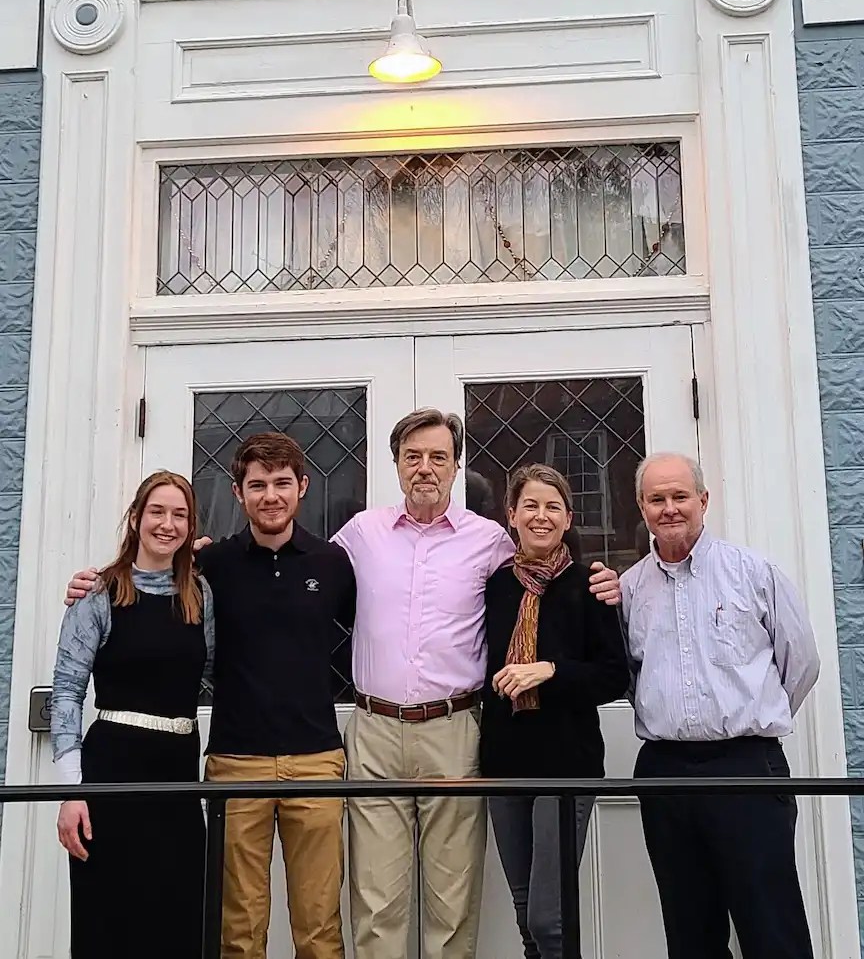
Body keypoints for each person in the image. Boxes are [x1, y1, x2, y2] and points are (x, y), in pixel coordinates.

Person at [332, 408, 621, 959]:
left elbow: (551, 568)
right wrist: (205, 560)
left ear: (456, 467)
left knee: (452, 901)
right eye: (413, 457)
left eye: (438, 457)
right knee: (376, 902)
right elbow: (305, 581)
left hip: (454, 730)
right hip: (373, 731)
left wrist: (607, 579)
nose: (425, 468)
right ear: (395, 465)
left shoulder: (489, 540)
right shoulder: (361, 534)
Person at [65, 433, 356, 959]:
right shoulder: (211, 568)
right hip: (235, 762)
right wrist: (95, 582)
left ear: (303, 488)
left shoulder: (333, 564)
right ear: (239, 492)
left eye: (282, 483)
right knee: (238, 931)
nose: (271, 495)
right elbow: (152, 584)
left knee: (319, 927)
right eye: (258, 485)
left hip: (316, 759)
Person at [620, 452, 820, 959]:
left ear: (703, 501)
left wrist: (750, 720)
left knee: (771, 924)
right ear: (641, 507)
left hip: (747, 767)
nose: (669, 508)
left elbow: (802, 662)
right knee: (690, 930)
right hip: (665, 773)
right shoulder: (629, 589)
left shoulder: (753, 572)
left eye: (680, 496)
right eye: (657, 498)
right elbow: (627, 676)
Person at [51, 470, 214, 959]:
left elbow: (216, 670)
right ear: (137, 518)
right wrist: (72, 791)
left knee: (176, 918)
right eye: (157, 512)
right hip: (111, 778)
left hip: (178, 779)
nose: (167, 524)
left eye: (179, 515)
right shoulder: (99, 593)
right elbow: (66, 693)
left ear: (190, 525)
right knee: (110, 920)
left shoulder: (200, 596)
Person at [481, 464, 629, 959]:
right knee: (526, 915)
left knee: (550, 919)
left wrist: (548, 670)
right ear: (511, 516)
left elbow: (614, 675)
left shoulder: (590, 584)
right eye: (530, 506)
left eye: (552, 507)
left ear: (568, 519)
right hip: (504, 766)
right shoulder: (497, 585)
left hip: (566, 765)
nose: (540, 516)